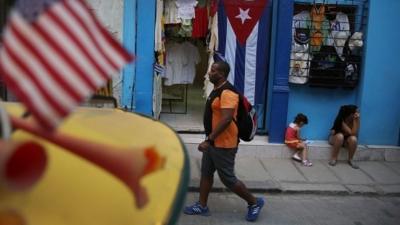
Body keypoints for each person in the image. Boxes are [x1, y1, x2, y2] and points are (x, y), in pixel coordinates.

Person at [183, 61, 264, 222]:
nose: (209, 72)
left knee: (228, 179)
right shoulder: (217, 89)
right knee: (206, 173)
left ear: (221, 74)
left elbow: (227, 119)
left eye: (213, 70)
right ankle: (202, 205)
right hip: (213, 142)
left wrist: (209, 139)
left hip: (224, 144)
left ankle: (254, 203)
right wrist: (210, 139)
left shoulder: (228, 92)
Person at [328, 104, 360, 169]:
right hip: (335, 139)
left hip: (345, 140)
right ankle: (334, 158)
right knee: (340, 136)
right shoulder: (341, 120)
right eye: (356, 112)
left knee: (354, 139)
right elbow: (351, 132)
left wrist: (355, 120)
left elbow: (353, 134)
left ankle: (350, 159)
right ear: (350, 114)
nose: (358, 113)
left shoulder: (355, 120)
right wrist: (355, 120)